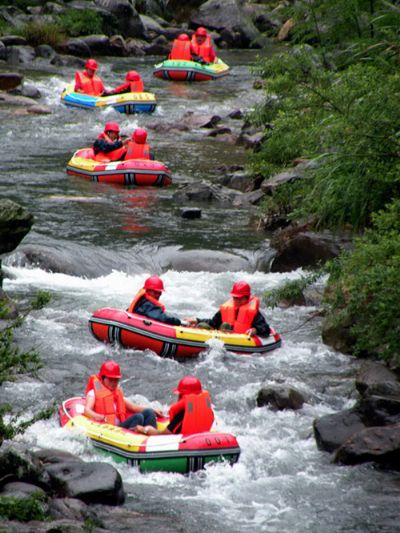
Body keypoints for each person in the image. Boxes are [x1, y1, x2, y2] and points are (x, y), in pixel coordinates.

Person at [84, 360, 162, 430]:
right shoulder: (93, 393)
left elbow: (133, 407)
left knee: (149, 412)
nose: (114, 382)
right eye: (111, 379)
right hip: (110, 429)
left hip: (121, 427)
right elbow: (87, 410)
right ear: (103, 378)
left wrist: (153, 410)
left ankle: (152, 436)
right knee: (138, 417)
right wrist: (97, 416)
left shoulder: (117, 393)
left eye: (116, 380)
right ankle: (134, 441)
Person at [186, 281, 270, 337]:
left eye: (240, 298)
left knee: (225, 325)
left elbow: (265, 328)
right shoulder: (226, 309)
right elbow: (214, 323)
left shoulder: (254, 313)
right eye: (235, 298)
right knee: (202, 326)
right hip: (224, 337)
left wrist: (255, 330)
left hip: (241, 339)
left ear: (247, 298)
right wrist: (197, 320)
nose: (237, 300)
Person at [136, 376, 214, 436]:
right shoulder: (205, 409)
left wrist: (145, 430)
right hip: (200, 439)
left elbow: (164, 435)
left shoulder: (181, 414)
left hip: (186, 444)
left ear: (183, 396)